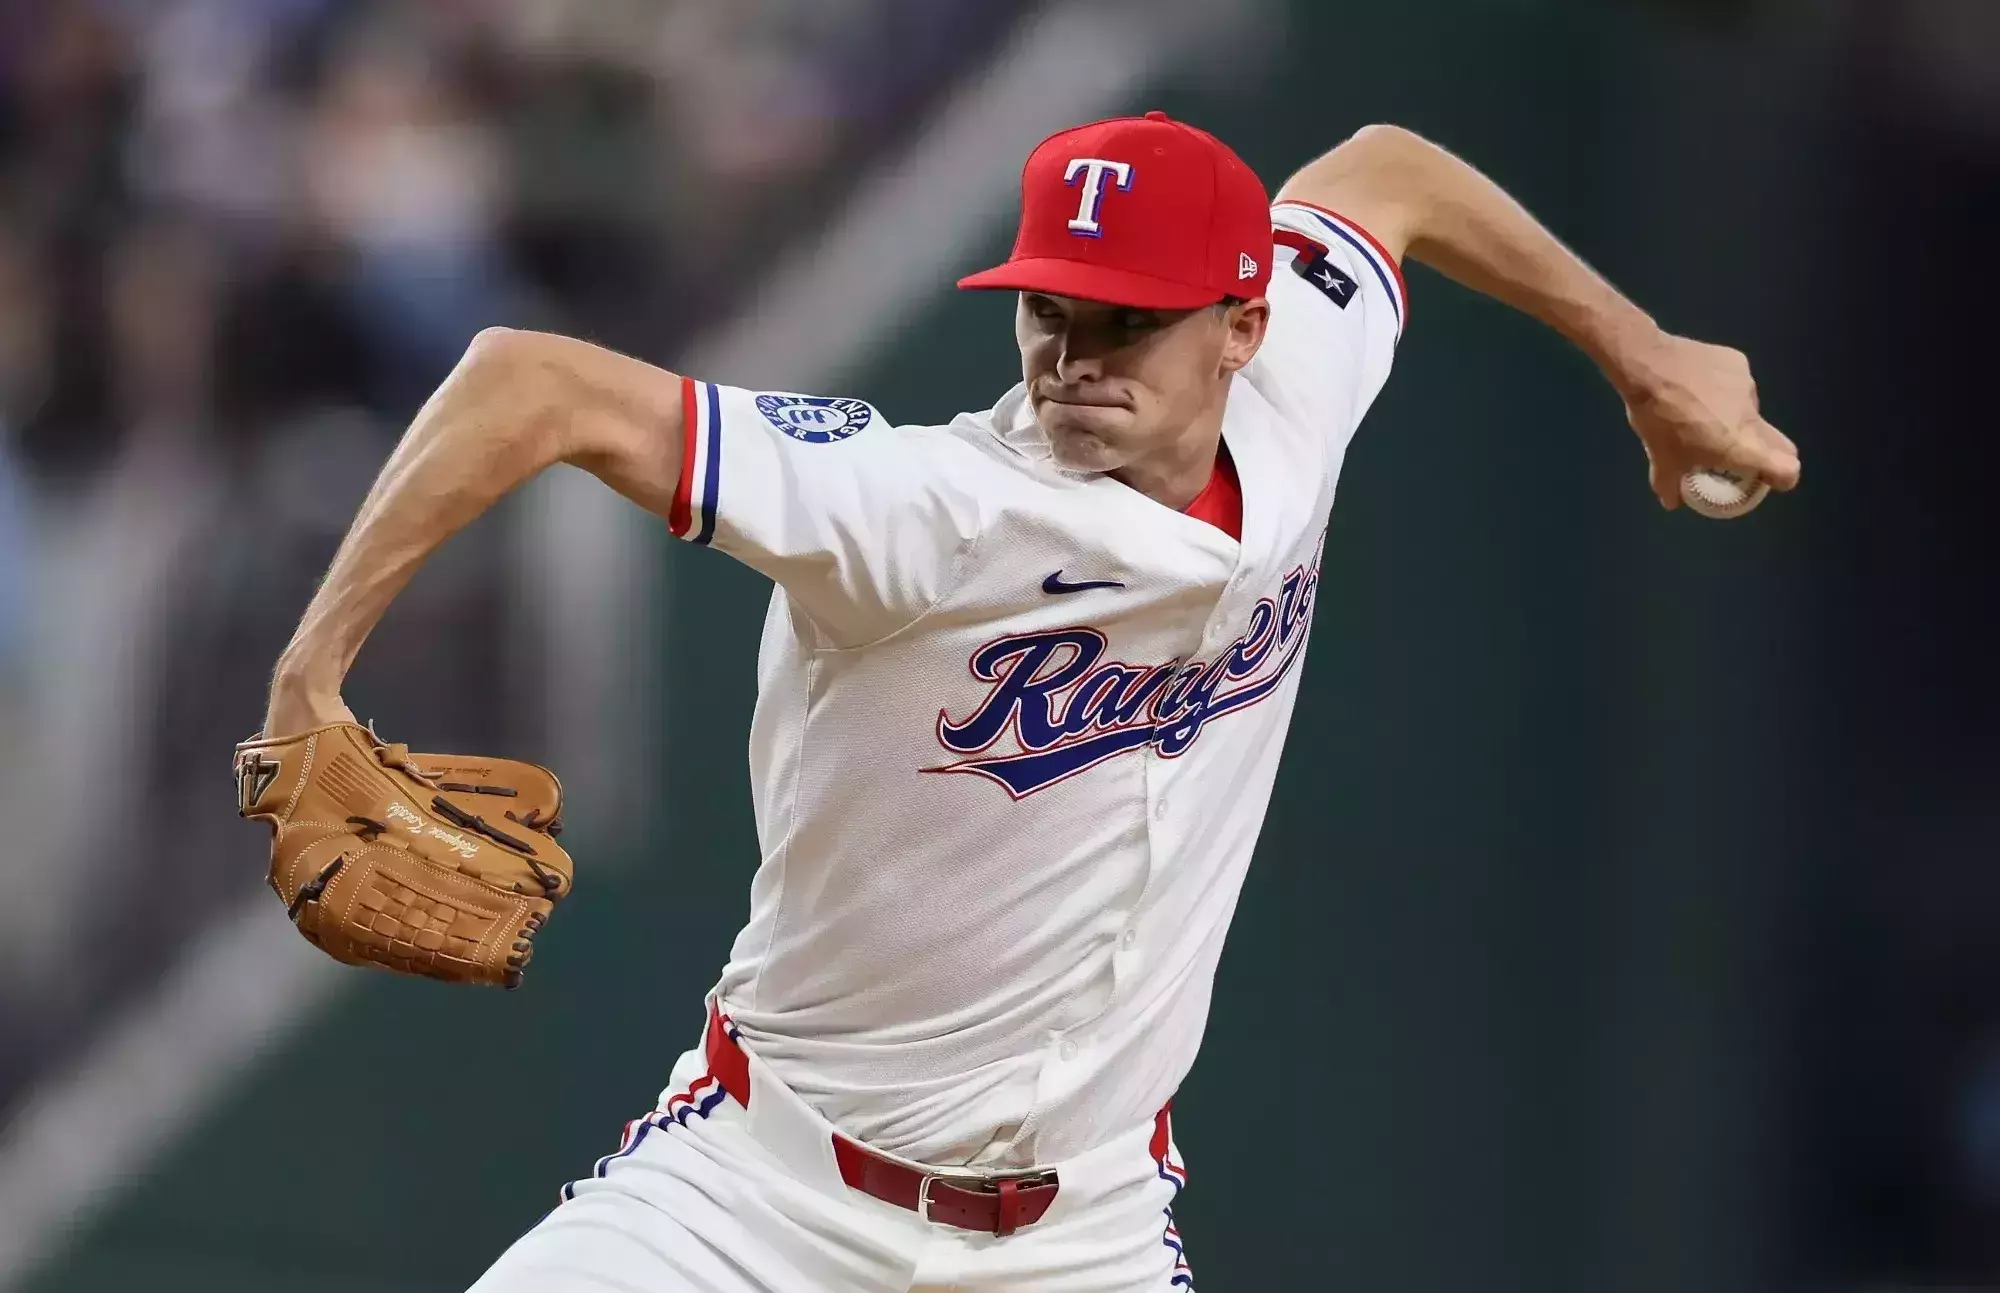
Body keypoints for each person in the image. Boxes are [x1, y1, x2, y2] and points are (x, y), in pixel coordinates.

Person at [261, 113, 1800, 1292]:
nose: (1074, 356)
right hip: (757, 1203)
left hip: (1088, 1235)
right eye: (1049, 308)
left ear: (1243, 326)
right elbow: (527, 382)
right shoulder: (920, 509)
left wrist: (1639, 349)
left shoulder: (1302, 382)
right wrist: (307, 675)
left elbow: (1386, 170)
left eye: (1126, 319)